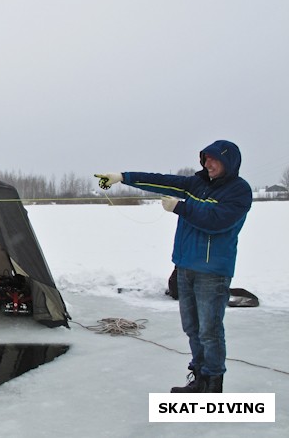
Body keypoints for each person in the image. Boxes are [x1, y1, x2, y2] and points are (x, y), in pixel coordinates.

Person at [95, 140, 251, 393]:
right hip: (185, 267)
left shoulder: (238, 191)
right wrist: (122, 177)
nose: (207, 164)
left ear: (228, 162)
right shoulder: (196, 184)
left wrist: (180, 207)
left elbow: (217, 221)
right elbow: (162, 181)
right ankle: (199, 377)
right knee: (192, 328)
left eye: (213, 159)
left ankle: (213, 384)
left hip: (212, 272)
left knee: (209, 331)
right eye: (205, 159)